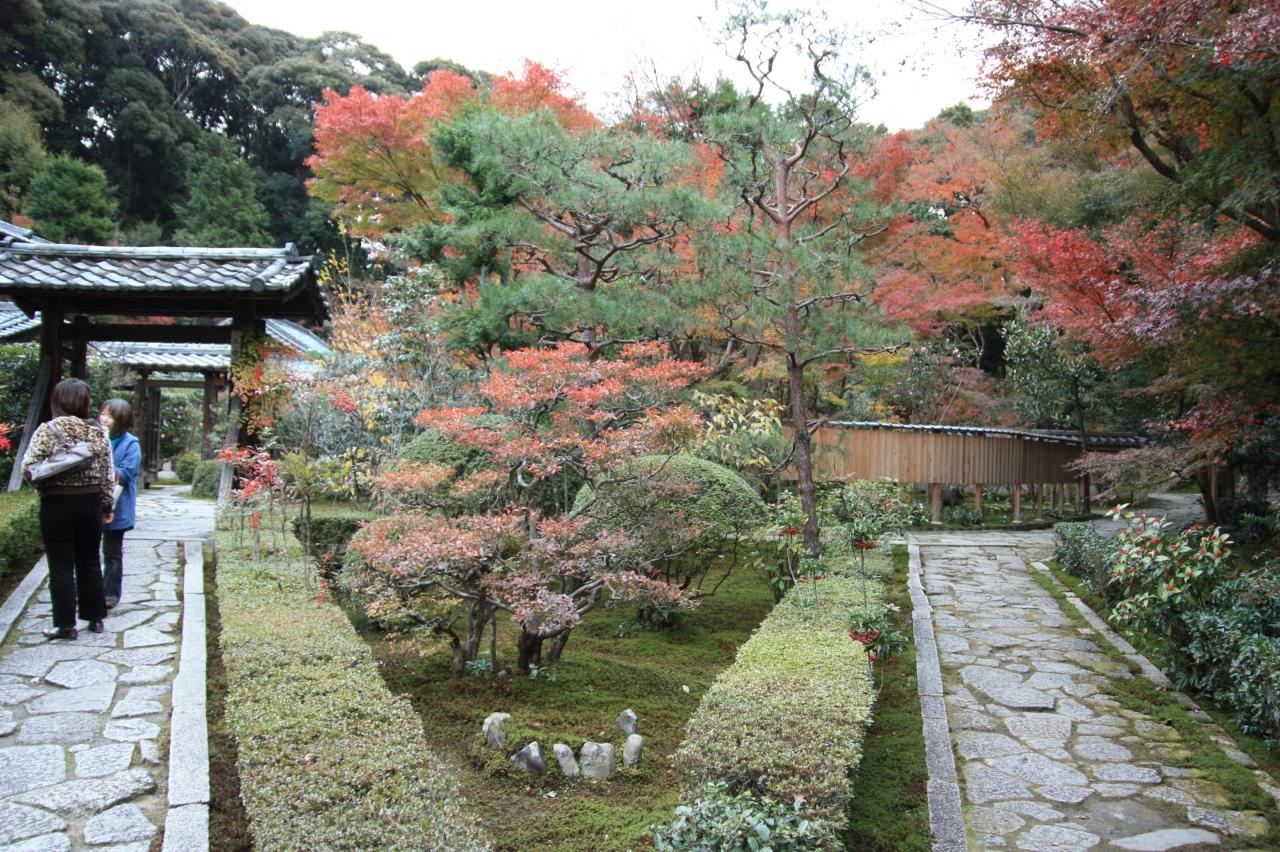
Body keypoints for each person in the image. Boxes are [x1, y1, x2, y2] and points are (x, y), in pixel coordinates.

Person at [22, 378, 113, 640]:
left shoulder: (48, 429)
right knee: (90, 560)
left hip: (56, 502)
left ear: (58, 400)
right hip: (90, 501)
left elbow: (29, 467)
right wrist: (107, 505)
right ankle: (95, 618)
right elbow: (107, 473)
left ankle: (65, 626)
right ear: (84, 402)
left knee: (60, 565)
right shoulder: (98, 432)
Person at [99, 398, 140, 609]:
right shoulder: (95, 437)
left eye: (110, 416)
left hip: (117, 505)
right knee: (87, 552)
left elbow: (126, 473)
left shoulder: (131, 444)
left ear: (122, 420)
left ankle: (110, 594)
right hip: (92, 503)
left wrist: (101, 470)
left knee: (112, 553)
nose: (104, 419)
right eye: (103, 414)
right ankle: (89, 591)